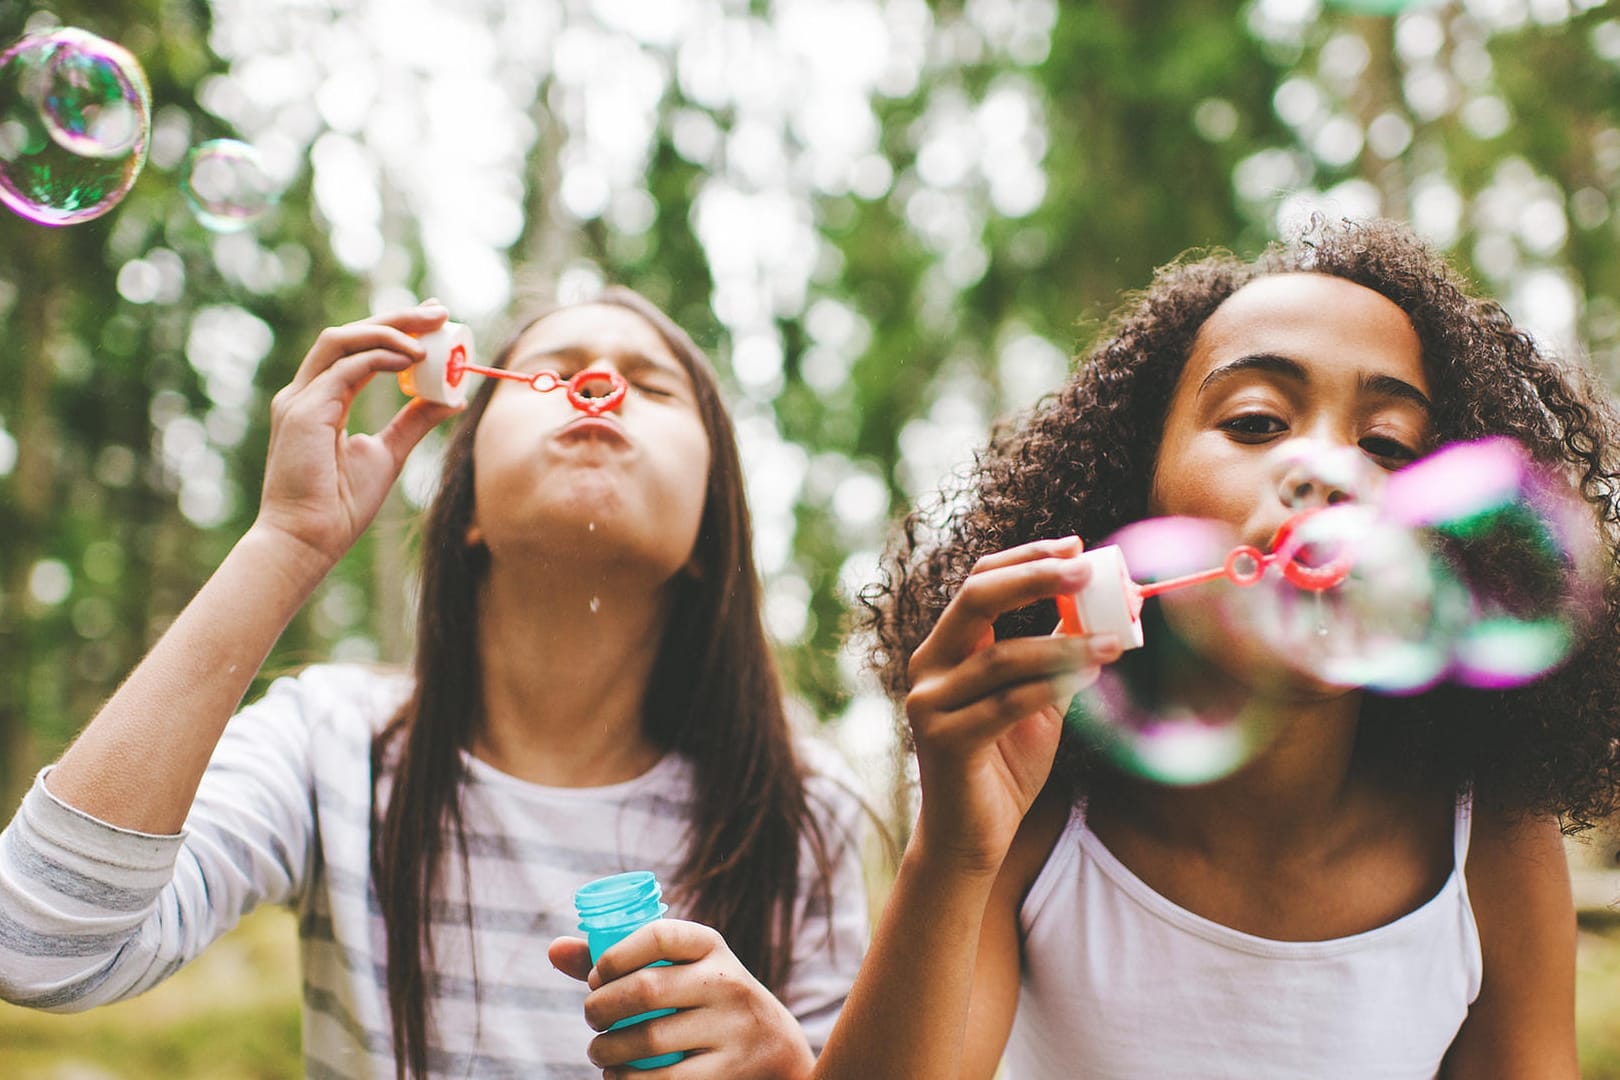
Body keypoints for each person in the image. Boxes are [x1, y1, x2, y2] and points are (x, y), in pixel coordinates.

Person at [814, 217, 1620, 1079]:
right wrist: (952, 854)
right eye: (1257, 421)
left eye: (1386, 445)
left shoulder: (1487, 838)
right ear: (1136, 483)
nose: (1319, 470)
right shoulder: (1040, 812)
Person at [0, 287, 870, 1079]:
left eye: (651, 384)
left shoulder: (795, 804)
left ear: (710, 530)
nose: (599, 381)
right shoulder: (333, 744)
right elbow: (37, 948)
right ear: (471, 513)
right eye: (549, 374)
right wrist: (285, 545)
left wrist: (790, 1071)